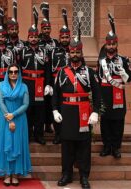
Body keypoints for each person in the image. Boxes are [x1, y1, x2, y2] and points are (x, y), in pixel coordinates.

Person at [52, 22, 100, 189]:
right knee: (67, 147)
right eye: (72, 52)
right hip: (66, 112)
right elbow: (56, 94)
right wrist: (55, 110)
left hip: (83, 113)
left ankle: (84, 176)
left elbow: (98, 93)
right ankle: (66, 174)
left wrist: (96, 113)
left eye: (77, 52)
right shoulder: (62, 72)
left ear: (81, 52)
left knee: (83, 147)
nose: (74, 54)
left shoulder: (89, 72)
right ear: (69, 53)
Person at [97, 13, 131, 159]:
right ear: (106, 44)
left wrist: (124, 73)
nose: (111, 46)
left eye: (113, 44)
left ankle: (116, 148)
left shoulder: (123, 60)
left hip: (118, 96)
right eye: (109, 44)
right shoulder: (101, 61)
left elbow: (129, 80)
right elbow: (99, 79)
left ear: (116, 44)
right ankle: (106, 146)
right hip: (105, 95)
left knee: (118, 123)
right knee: (105, 123)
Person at [0, 64, 31, 186]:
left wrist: (13, 115)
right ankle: (7, 174)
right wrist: (9, 117)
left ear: (19, 73)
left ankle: (15, 174)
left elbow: (25, 104)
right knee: (5, 144)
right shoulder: (1, 85)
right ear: (7, 73)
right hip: (4, 118)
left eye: (16, 71)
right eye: (11, 72)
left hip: (19, 118)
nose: (13, 74)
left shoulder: (24, 86)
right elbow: (0, 102)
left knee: (17, 144)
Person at [19, 7, 51, 145]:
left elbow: (48, 69)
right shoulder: (22, 51)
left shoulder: (44, 52)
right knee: (27, 109)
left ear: (38, 37)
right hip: (26, 83)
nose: (33, 39)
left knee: (39, 110)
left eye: (35, 37)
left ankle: (39, 135)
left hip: (40, 83)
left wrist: (48, 84)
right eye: (31, 36)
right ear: (28, 37)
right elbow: (18, 69)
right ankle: (28, 134)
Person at [48, 8, 71, 144]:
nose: (64, 39)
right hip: (57, 85)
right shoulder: (53, 51)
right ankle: (58, 134)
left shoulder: (76, 51)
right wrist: (49, 84)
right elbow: (49, 69)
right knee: (56, 108)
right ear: (59, 37)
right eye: (62, 37)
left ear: (69, 37)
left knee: (68, 110)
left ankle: (66, 133)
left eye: (66, 37)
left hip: (70, 84)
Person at [38, 2, 59, 134]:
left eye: (48, 29)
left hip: (51, 74)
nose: (46, 31)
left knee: (51, 100)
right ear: (41, 29)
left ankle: (49, 124)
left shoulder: (55, 43)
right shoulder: (36, 41)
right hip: (40, 74)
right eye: (44, 29)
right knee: (42, 102)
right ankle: (40, 125)